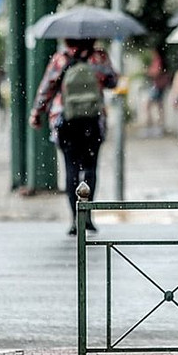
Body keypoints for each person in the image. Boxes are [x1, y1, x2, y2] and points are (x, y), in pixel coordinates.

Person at [29, 38, 118, 235]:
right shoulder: (99, 57)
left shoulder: (61, 59)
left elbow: (47, 88)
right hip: (93, 120)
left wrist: (37, 112)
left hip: (66, 120)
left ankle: (74, 218)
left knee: (71, 168)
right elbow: (113, 81)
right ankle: (88, 217)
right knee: (90, 168)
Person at [142, 47, 171, 137]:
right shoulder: (160, 60)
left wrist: (148, 72)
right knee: (159, 106)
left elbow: (156, 72)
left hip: (157, 85)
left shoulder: (158, 60)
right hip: (160, 85)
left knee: (148, 106)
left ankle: (152, 128)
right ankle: (159, 127)